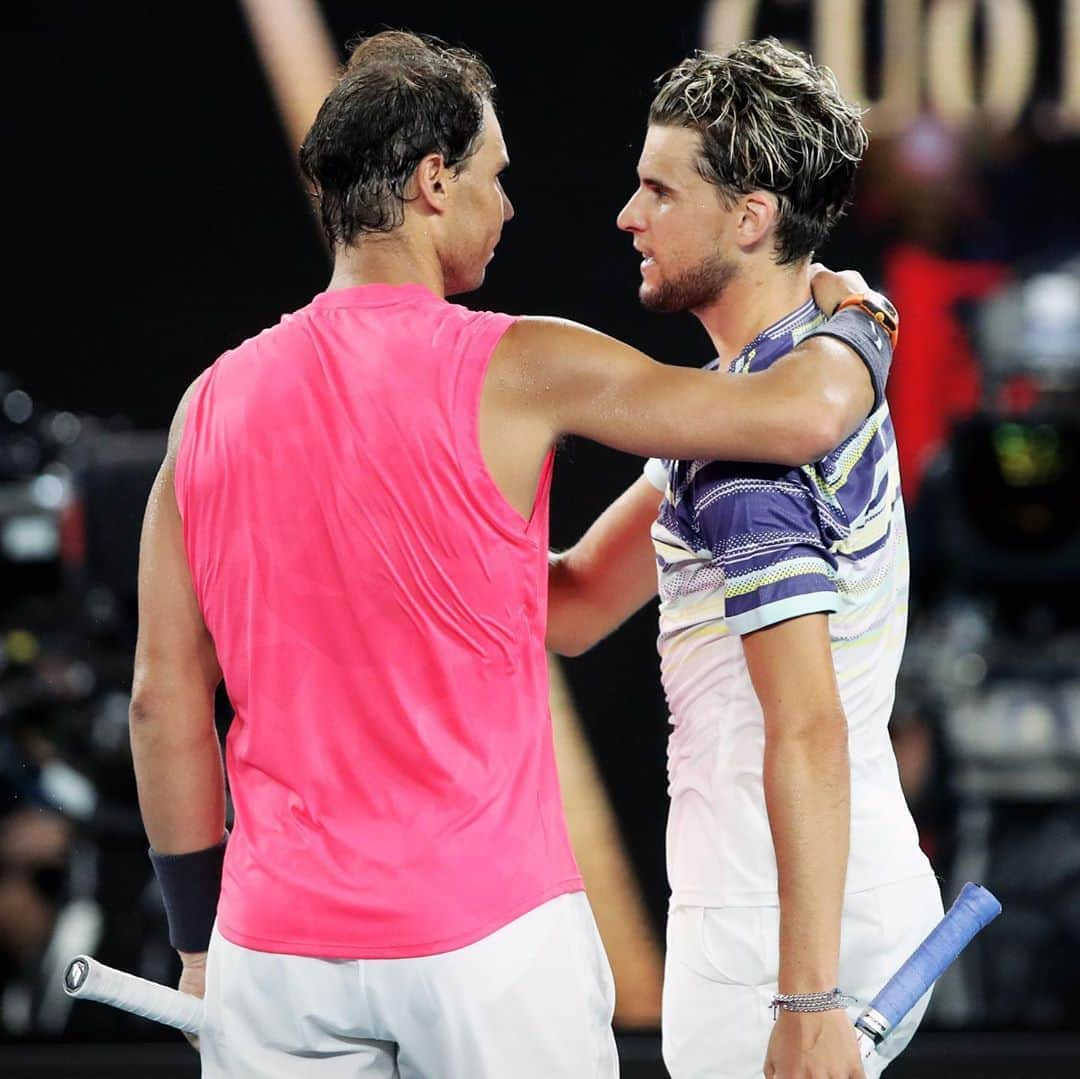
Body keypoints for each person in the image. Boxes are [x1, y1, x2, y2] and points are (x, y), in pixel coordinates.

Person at [129, 30, 893, 1078]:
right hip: (490, 946)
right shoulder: (525, 362)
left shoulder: (205, 406)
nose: (510, 205)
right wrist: (863, 321)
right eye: (494, 178)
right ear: (434, 183)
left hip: (277, 952)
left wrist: (199, 943)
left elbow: (161, 701)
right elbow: (799, 412)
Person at [547, 38, 943, 1079]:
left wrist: (804, 996)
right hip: (818, 894)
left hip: (777, 928)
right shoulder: (764, 388)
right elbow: (576, 601)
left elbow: (804, 723)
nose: (630, 216)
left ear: (751, 217)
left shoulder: (749, 447)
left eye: (658, 190)